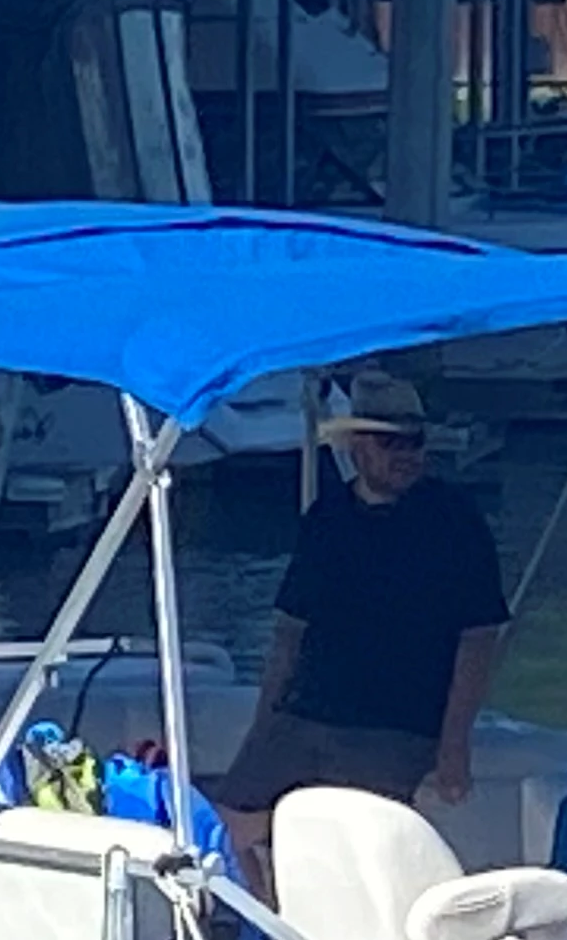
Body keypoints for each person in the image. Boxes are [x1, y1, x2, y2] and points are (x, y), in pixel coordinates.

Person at [213, 371, 509, 867]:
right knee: (221, 829)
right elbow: (290, 633)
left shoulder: (453, 520)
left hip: (395, 726)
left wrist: (454, 745)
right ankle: (274, 936)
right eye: (391, 442)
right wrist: (263, 728)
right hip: (306, 714)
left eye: (415, 442)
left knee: (334, 833)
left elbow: (479, 637)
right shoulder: (326, 518)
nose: (407, 454)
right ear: (356, 446)